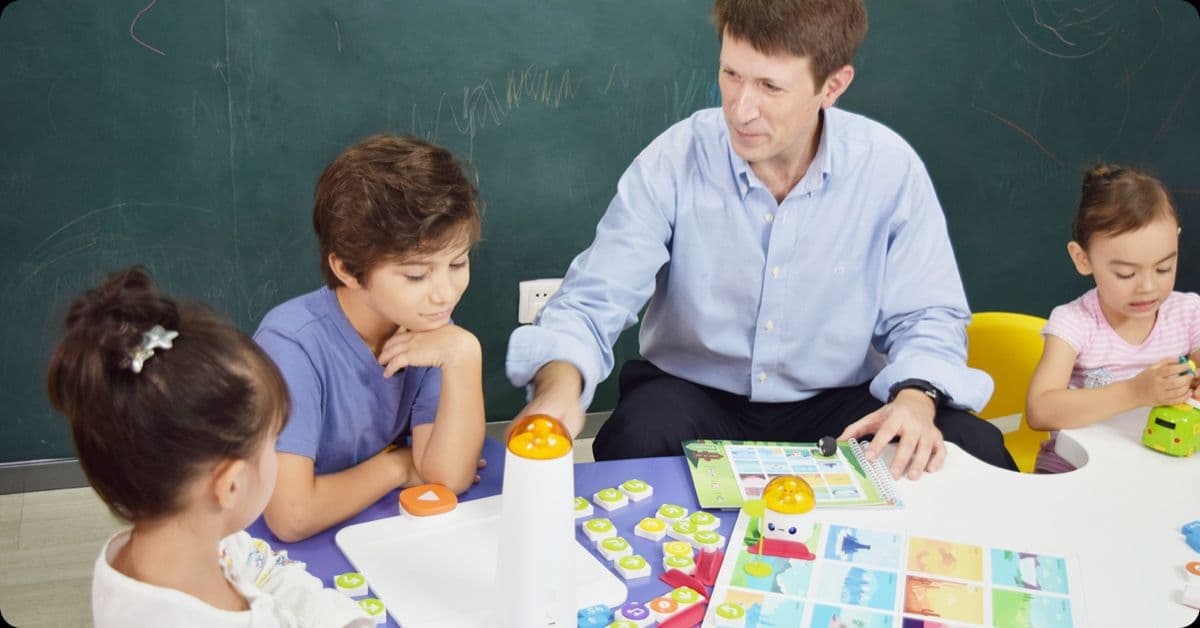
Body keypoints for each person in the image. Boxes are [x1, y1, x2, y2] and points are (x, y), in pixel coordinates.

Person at [506, 0, 1017, 478]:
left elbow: (928, 315)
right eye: (731, 74)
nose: (741, 109)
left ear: (832, 86)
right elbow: (593, 300)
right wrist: (556, 389)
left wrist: (914, 400)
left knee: (972, 450)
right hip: (694, 396)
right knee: (636, 438)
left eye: (771, 87)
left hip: (841, 401)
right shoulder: (675, 159)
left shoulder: (889, 167)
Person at [46, 267, 369, 627]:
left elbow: (265, 568)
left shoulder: (179, 544)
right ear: (231, 484)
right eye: (273, 443)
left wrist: (340, 619)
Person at [256, 135, 485, 541]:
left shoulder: (430, 327)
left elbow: (447, 478)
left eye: (458, 263)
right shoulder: (290, 345)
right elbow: (291, 517)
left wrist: (465, 355)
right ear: (346, 269)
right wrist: (398, 466)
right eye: (416, 275)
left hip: (366, 524)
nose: (445, 292)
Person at [1026, 164, 1200, 472]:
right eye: (1126, 273)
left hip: (1155, 465)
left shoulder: (1187, 313)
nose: (1148, 287)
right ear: (1083, 259)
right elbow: (1039, 411)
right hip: (1076, 467)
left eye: (1163, 268)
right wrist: (1136, 392)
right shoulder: (1074, 323)